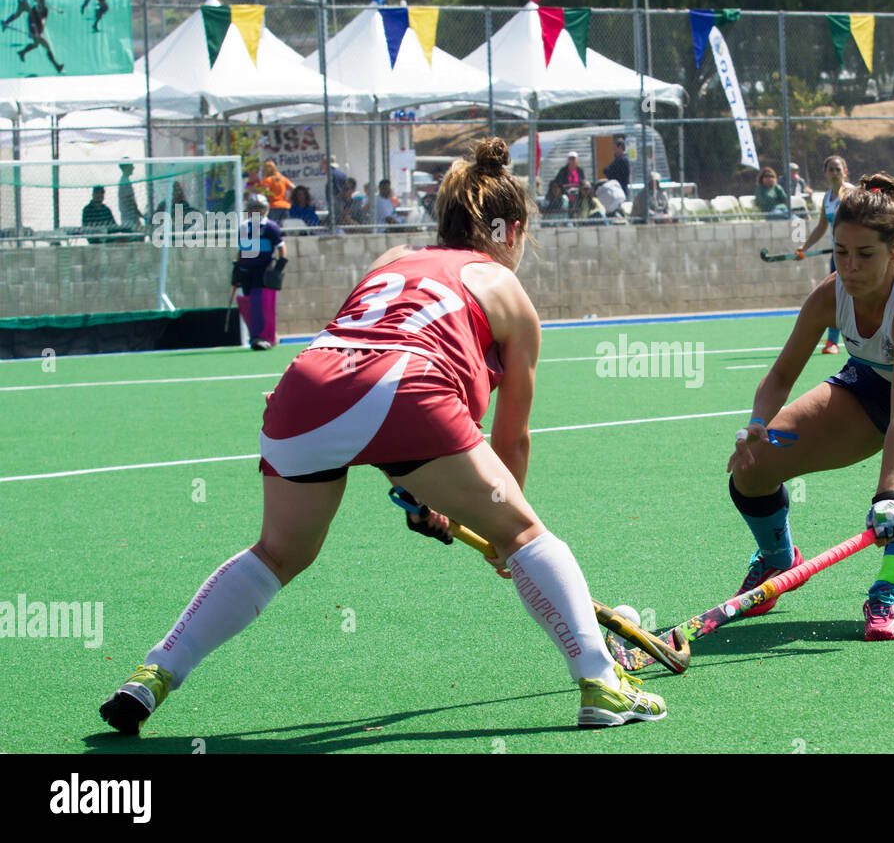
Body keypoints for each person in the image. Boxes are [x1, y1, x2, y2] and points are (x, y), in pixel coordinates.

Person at [98, 138, 667, 734]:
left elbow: (363, 387)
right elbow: (509, 437)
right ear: (514, 229)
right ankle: (601, 683)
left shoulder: (391, 256)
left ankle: (154, 673)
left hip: (307, 387)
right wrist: (501, 535)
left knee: (278, 553)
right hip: (404, 391)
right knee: (526, 532)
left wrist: (430, 496)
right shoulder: (509, 293)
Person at [727, 173, 894, 641]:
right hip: (867, 385)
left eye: (864, 254)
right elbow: (782, 374)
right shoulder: (831, 293)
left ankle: (888, 594)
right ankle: (779, 560)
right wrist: (755, 425)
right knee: (753, 467)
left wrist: (887, 495)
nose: (849, 266)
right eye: (841, 252)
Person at [797, 155, 851, 354]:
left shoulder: (851, 193)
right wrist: (804, 247)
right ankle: (832, 342)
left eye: (838, 169)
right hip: (837, 255)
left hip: (854, 254)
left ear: (845, 171)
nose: (835, 173)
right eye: (831, 169)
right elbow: (821, 226)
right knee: (836, 296)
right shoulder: (827, 198)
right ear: (825, 173)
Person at [231, 194, 286, 351]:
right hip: (246, 271)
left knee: (259, 304)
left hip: (263, 271)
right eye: (254, 209)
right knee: (249, 304)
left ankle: (260, 337)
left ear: (266, 210)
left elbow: (281, 247)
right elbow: (241, 250)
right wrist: (237, 268)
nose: (257, 212)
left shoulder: (270, 227)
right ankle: (261, 335)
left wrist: (279, 267)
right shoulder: (243, 227)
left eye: (260, 209)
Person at [15, 0, 62, 73]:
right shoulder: (33, 10)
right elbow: (32, 23)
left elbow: (43, 21)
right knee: (46, 46)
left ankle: (22, 52)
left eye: (44, 1)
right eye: (41, 1)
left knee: (36, 45)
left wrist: (41, 32)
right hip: (33, 27)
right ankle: (57, 66)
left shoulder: (45, 9)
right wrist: (35, 33)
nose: (43, 2)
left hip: (39, 28)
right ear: (38, 1)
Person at [117, 160, 143, 233]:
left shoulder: (125, 180)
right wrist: (139, 214)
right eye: (131, 165)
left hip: (130, 218)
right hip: (129, 220)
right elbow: (130, 201)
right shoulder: (124, 181)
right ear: (126, 167)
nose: (133, 168)